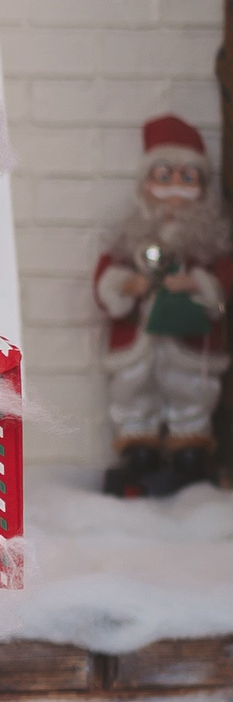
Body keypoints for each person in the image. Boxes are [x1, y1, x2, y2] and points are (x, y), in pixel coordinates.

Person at [96, 115, 233, 497]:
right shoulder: (131, 239)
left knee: (192, 389)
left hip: (188, 344)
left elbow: (224, 278)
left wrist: (198, 282)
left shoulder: (207, 245)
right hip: (138, 343)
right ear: (146, 185)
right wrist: (127, 283)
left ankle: (190, 447)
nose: (176, 191)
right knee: (133, 388)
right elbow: (105, 277)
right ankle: (138, 447)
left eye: (188, 179)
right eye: (165, 176)